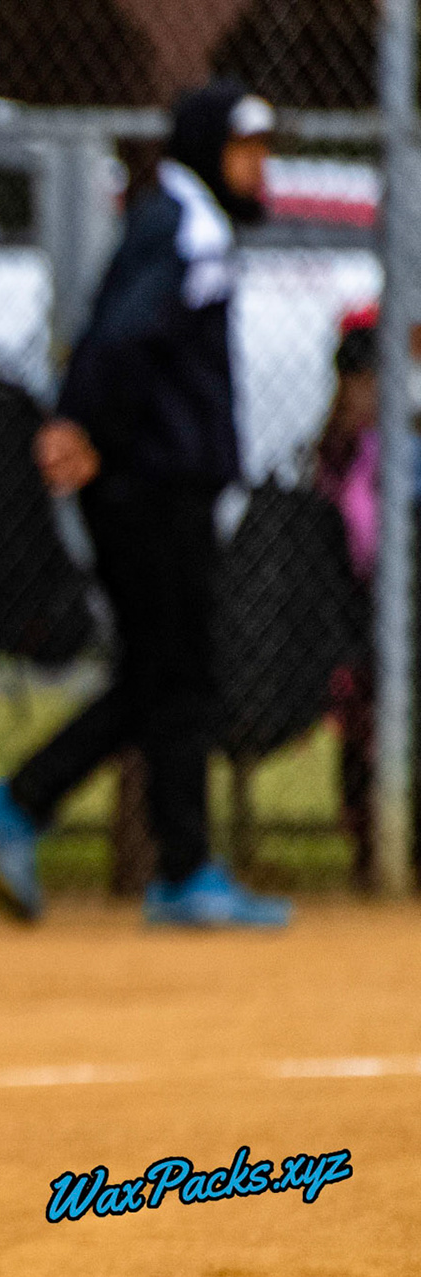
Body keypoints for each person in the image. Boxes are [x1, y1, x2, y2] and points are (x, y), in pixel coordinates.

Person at [0, 80, 291, 929]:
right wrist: (86, 428)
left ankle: (53, 815)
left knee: (166, 675)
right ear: (205, 151)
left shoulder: (178, 220)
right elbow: (125, 335)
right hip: (150, 486)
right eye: (245, 150)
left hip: (155, 480)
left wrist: (85, 424)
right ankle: (147, 857)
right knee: (176, 674)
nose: (259, 168)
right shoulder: (188, 224)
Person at [312, 304, 385, 888]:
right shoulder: (339, 451)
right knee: (363, 711)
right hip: (351, 610)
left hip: (381, 604)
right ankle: (365, 835)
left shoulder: (389, 444)